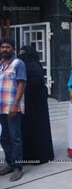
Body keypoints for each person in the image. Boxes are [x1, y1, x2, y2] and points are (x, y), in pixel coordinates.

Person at [18, 45, 54, 164]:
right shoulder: (30, 65)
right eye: (20, 52)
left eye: (23, 52)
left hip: (35, 104)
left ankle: (39, 156)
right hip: (31, 104)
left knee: (37, 130)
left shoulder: (32, 67)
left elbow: (33, 84)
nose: (21, 55)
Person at [0, 37, 26, 181]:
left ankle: (17, 168)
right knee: (4, 137)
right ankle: (10, 163)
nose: (5, 49)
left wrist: (15, 105)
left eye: (8, 47)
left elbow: (21, 84)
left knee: (14, 137)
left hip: (12, 107)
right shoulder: (0, 65)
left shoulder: (18, 63)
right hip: (1, 107)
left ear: (13, 49)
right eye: (3, 47)